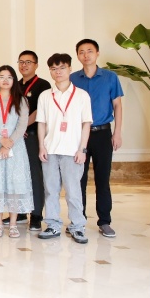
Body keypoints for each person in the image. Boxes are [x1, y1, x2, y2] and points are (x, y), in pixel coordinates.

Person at [71, 39, 124, 238]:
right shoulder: (73, 79)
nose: (86, 55)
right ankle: (79, 220)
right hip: (79, 136)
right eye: (81, 52)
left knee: (103, 179)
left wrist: (117, 132)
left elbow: (117, 106)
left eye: (90, 51)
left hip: (103, 134)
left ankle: (105, 221)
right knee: (79, 179)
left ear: (97, 53)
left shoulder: (110, 77)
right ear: (77, 55)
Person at [37, 53, 92, 244]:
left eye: (61, 68)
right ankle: (52, 224)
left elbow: (86, 124)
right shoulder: (45, 96)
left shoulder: (82, 95)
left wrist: (82, 149)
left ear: (70, 69)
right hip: (50, 150)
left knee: (73, 191)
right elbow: (41, 123)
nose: (58, 72)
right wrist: (41, 147)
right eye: (53, 69)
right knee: (51, 190)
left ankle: (77, 226)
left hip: (73, 151)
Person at [0, 66, 32, 238]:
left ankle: (14, 224)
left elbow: (22, 126)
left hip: (15, 147)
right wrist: (1, 140)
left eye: (9, 77)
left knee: (14, 184)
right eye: (2, 76)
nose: (5, 80)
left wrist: (9, 143)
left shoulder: (21, 100)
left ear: (14, 80)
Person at [17, 50, 52, 231]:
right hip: (17, 138)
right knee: (18, 175)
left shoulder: (43, 85)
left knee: (35, 176)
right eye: (21, 62)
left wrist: (22, 127)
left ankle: (36, 214)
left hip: (32, 135)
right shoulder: (16, 85)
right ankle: (21, 212)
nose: (24, 65)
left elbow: (40, 111)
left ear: (36, 65)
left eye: (28, 62)